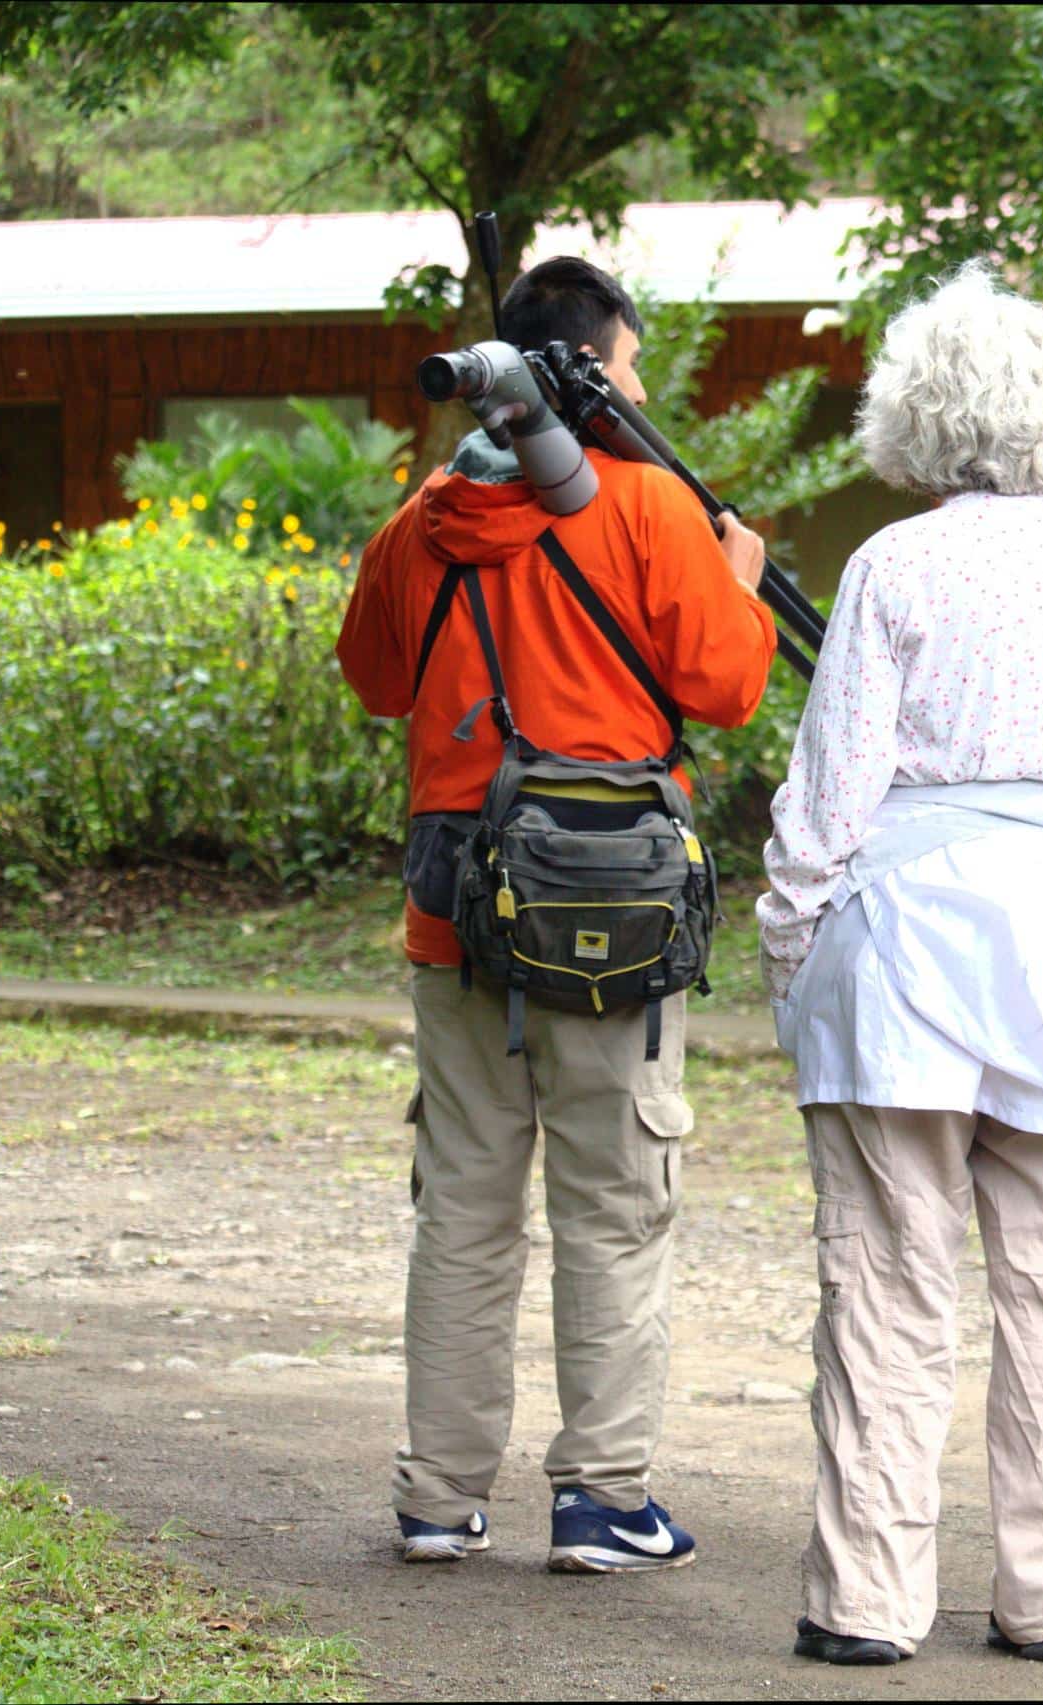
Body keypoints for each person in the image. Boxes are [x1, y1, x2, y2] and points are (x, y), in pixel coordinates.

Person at [756, 261, 1043, 1668]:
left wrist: (798, 970)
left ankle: (866, 1602)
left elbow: (823, 806)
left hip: (907, 950)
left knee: (887, 1287)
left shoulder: (892, 567)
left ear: (910, 417)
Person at [337, 256, 777, 1572]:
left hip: (457, 913)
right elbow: (730, 685)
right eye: (629, 364)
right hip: (616, 921)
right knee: (616, 1204)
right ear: (586, 370)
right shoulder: (648, 510)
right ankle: (602, 1497)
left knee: (464, 1207)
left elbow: (371, 676)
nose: (638, 388)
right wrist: (737, 575)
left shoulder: (426, 520)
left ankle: (438, 1496)